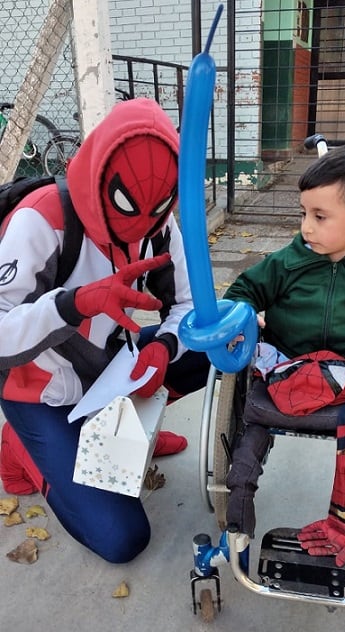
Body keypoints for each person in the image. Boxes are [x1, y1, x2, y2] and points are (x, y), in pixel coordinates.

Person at [0, 98, 210, 563]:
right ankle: (20, 447)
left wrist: (166, 347)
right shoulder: (41, 219)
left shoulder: (157, 217)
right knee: (123, 539)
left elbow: (192, 305)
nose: (137, 223)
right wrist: (73, 305)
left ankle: (127, 435)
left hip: (110, 370)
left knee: (223, 338)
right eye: (126, 204)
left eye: (157, 206)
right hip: (41, 391)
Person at [223, 144, 345, 567]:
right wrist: (247, 316)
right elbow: (243, 291)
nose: (306, 227)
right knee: (253, 420)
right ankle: (238, 503)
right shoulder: (287, 263)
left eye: (319, 217)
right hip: (287, 371)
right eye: (304, 213)